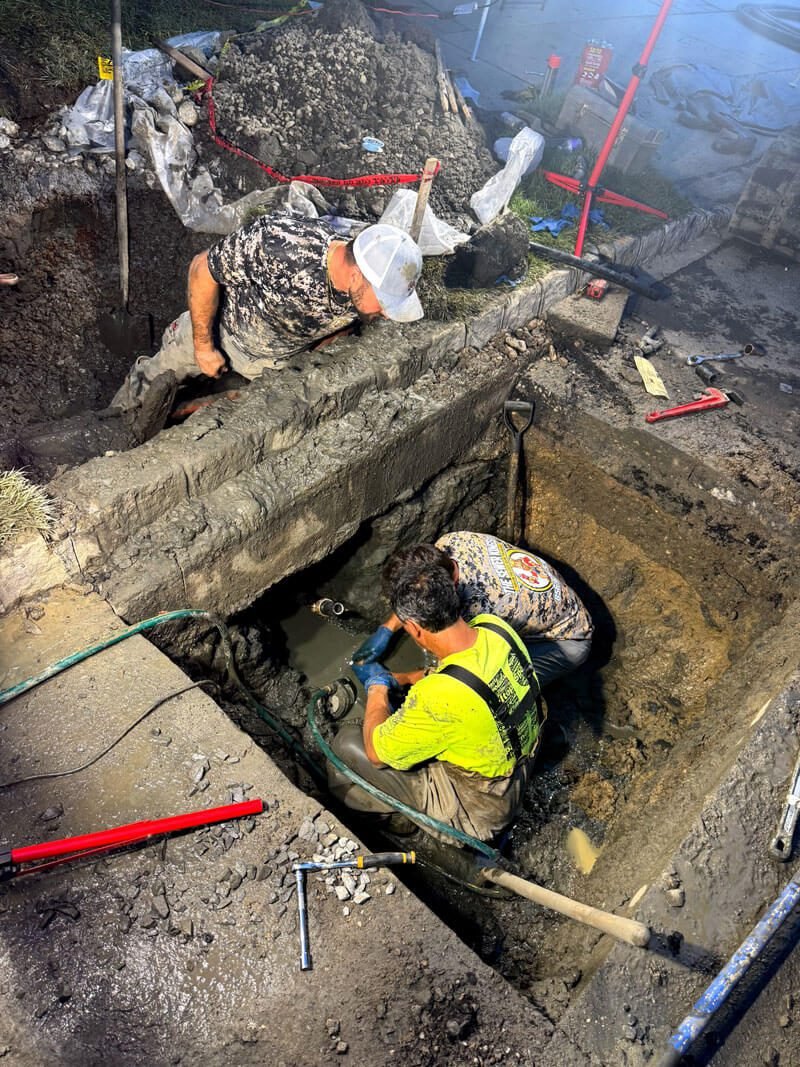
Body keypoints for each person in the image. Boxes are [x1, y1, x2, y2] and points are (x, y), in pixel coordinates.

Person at [110, 216, 424, 415]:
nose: (384, 312)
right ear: (357, 276)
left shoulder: (363, 281)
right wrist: (204, 347)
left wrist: (311, 356)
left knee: (226, 414)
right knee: (151, 382)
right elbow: (201, 268)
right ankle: (111, 425)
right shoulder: (280, 244)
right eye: (383, 302)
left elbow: (340, 324)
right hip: (220, 333)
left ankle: (180, 414)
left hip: (271, 362)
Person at [328, 553, 541, 842]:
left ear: (413, 628)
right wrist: (405, 678)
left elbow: (377, 755)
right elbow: (468, 675)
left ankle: (399, 823)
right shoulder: (494, 628)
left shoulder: (437, 699)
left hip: (481, 813)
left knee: (349, 745)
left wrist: (378, 688)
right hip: (521, 765)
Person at [352, 531, 593, 689]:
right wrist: (387, 628)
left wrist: (398, 680)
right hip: (551, 599)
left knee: (492, 688)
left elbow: (466, 671)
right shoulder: (450, 544)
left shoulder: (480, 610)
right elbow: (421, 588)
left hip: (565, 641)